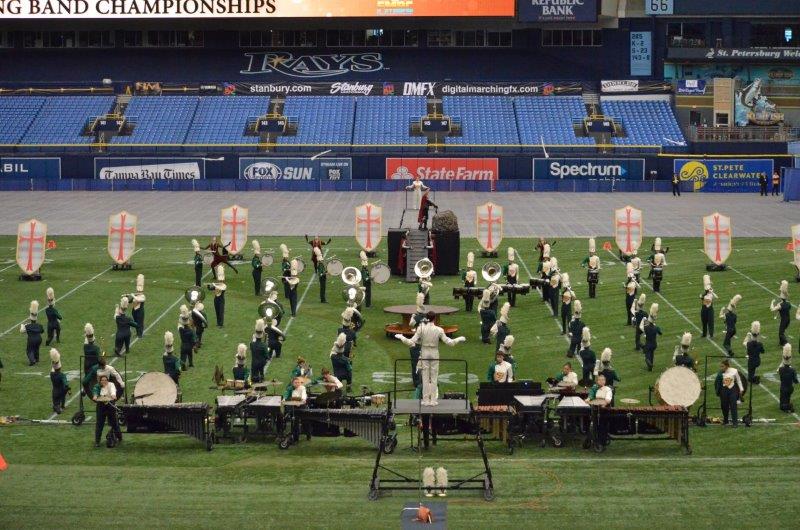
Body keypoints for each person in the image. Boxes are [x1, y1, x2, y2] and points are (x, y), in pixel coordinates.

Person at [396, 311, 466, 406]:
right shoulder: (439, 329)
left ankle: (425, 400)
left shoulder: (421, 328)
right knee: (434, 377)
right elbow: (449, 342)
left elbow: (411, 342)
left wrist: (402, 337)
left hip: (425, 352)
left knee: (425, 376)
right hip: (434, 352)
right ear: (435, 319)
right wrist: (458, 339)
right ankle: (433, 400)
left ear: (427, 318)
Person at [92, 375, 122, 448]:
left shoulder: (111, 384)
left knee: (114, 423)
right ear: (100, 381)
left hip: (110, 405)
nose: (104, 381)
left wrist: (113, 395)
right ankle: (97, 441)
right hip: (101, 406)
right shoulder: (97, 386)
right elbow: (95, 392)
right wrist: (95, 396)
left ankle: (119, 437)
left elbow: (113, 391)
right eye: (102, 380)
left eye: (105, 380)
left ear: (107, 381)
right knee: (99, 424)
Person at [715, 360, 744, 427]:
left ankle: (735, 423)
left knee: (733, 406)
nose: (721, 368)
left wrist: (741, 389)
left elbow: (738, 380)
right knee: (724, 406)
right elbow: (717, 383)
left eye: (722, 366)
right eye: (720, 366)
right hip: (723, 390)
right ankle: (725, 421)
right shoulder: (720, 373)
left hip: (732, 390)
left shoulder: (734, 371)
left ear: (727, 366)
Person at [20, 301, 43, 366]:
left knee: (29, 350)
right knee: (36, 348)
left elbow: (21, 331)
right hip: (39, 339)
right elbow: (42, 331)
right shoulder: (39, 325)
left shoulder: (27, 326)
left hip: (31, 340)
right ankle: (37, 359)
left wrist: (22, 325)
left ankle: (32, 360)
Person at [770, 281, 791, 347]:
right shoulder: (788, 303)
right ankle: (781, 343)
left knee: (781, 333)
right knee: (781, 331)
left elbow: (772, 309)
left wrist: (772, 302)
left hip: (784, 320)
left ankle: (786, 343)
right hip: (788, 320)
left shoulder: (780, 305)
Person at [641, 303, 662, 372]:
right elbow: (660, 333)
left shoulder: (646, 327)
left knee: (647, 356)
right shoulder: (656, 327)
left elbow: (642, 329)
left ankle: (649, 365)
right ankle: (651, 366)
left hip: (648, 344)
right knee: (652, 354)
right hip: (654, 344)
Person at [49, 348, 69, 414]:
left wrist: (55, 361)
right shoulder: (62, 375)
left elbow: (53, 368)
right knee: (62, 397)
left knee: (56, 402)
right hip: (61, 390)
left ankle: (56, 407)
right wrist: (68, 389)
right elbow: (66, 384)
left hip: (54, 391)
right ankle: (61, 407)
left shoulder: (51, 374)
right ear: (60, 368)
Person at [177, 305, 197, 370]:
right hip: (189, 346)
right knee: (190, 355)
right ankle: (191, 364)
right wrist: (194, 346)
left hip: (183, 345)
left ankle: (183, 366)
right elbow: (193, 340)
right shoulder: (191, 331)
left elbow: (179, 325)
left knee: (183, 356)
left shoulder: (181, 330)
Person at [778, 344, 797, 413]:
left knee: (782, 404)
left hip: (783, 388)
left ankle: (787, 406)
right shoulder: (792, 370)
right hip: (789, 388)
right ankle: (788, 406)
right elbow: (795, 381)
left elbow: (781, 369)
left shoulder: (780, 369)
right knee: (787, 398)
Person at [250, 319, 269, 383]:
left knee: (253, 379)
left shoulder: (252, 344)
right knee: (261, 377)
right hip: (261, 364)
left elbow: (253, 345)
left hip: (254, 364)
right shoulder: (264, 345)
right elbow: (267, 356)